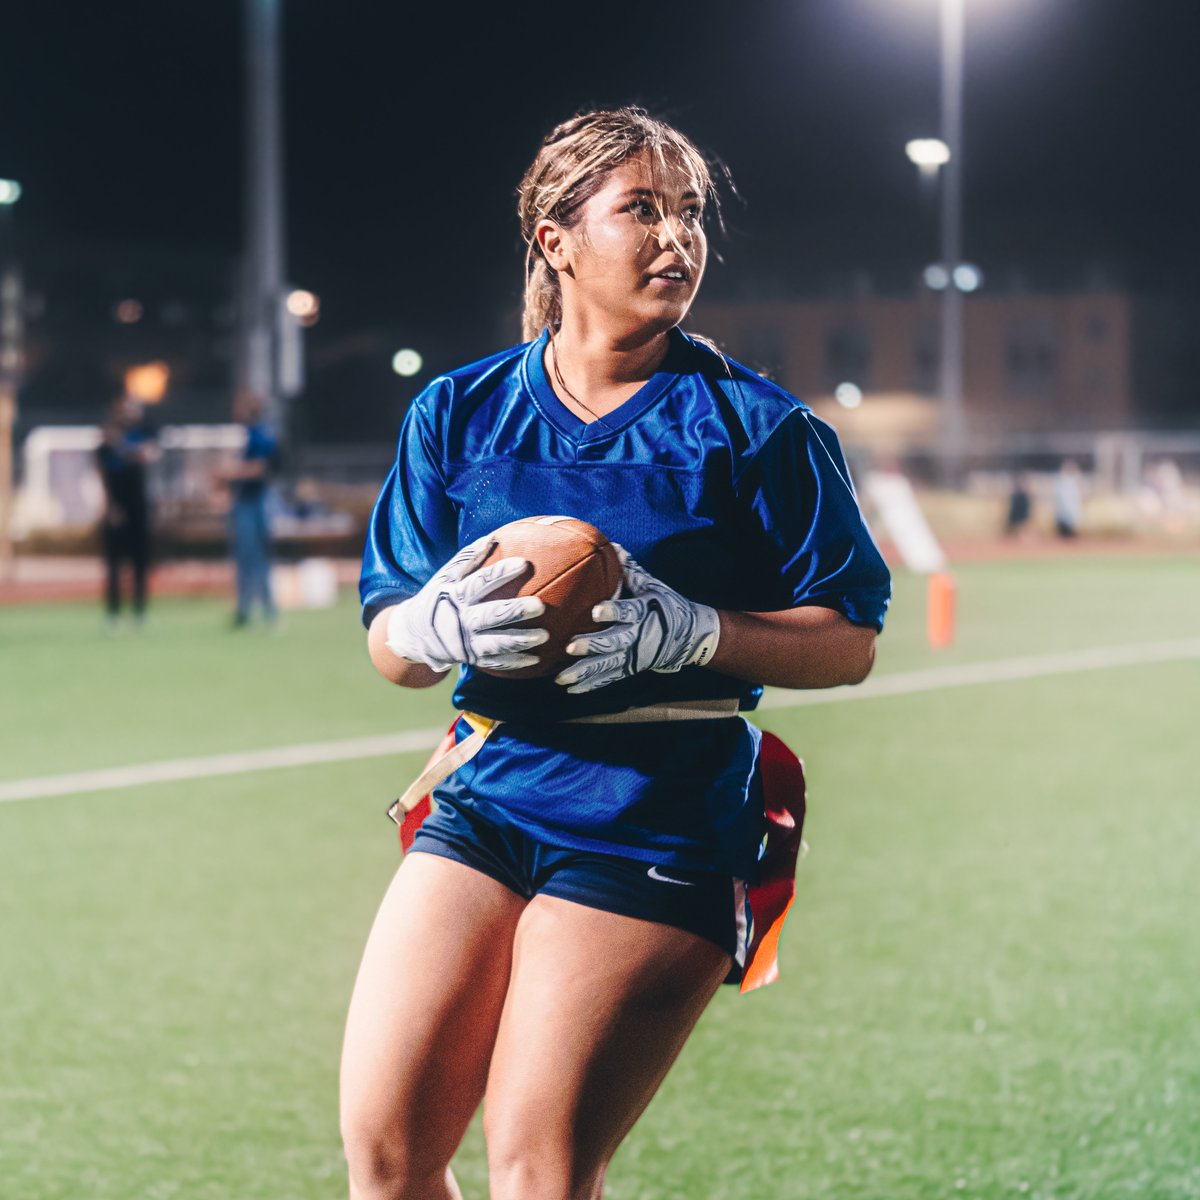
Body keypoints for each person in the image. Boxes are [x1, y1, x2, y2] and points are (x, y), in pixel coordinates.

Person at [344, 107, 892, 1200]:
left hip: (661, 810)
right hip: (490, 791)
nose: (677, 237)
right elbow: (391, 648)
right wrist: (422, 627)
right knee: (388, 1156)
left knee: (538, 1169)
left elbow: (850, 641)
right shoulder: (458, 411)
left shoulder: (760, 429)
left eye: (690, 213)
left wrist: (698, 630)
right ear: (556, 239)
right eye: (642, 208)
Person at [95, 395, 157, 626]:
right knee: (114, 563)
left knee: (140, 561)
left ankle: (139, 611)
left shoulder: (141, 435)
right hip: (117, 507)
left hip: (138, 507)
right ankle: (113, 612)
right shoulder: (106, 445)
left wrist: (122, 445)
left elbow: (147, 454)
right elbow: (103, 473)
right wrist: (111, 506)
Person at [220, 391, 278, 626]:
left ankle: (266, 610)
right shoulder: (247, 434)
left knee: (255, 557)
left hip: (254, 502)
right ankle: (246, 610)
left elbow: (259, 468)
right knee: (246, 558)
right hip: (246, 502)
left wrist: (228, 473)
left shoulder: (260, 435)